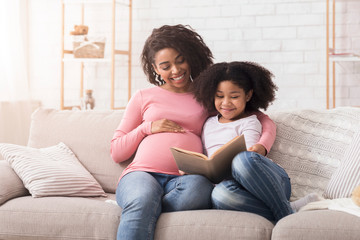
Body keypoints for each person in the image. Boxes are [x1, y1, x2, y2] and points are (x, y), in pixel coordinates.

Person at [110, 25, 277, 240]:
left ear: (191, 57)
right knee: (141, 197)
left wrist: (262, 145)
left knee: (200, 190)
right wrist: (147, 128)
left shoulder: (207, 94)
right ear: (155, 68)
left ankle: (148, 203)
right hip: (142, 173)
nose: (176, 70)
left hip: (186, 180)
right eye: (165, 65)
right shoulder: (143, 96)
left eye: (180, 60)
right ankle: (143, 201)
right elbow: (116, 151)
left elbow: (263, 119)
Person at [192, 61, 320, 222]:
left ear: (248, 95)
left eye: (234, 96)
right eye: (219, 96)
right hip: (234, 188)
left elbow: (249, 157)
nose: (226, 102)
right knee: (220, 195)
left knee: (243, 159)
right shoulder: (208, 123)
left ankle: (285, 216)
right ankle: (290, 209)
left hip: (267, 182)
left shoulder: (250, 121)